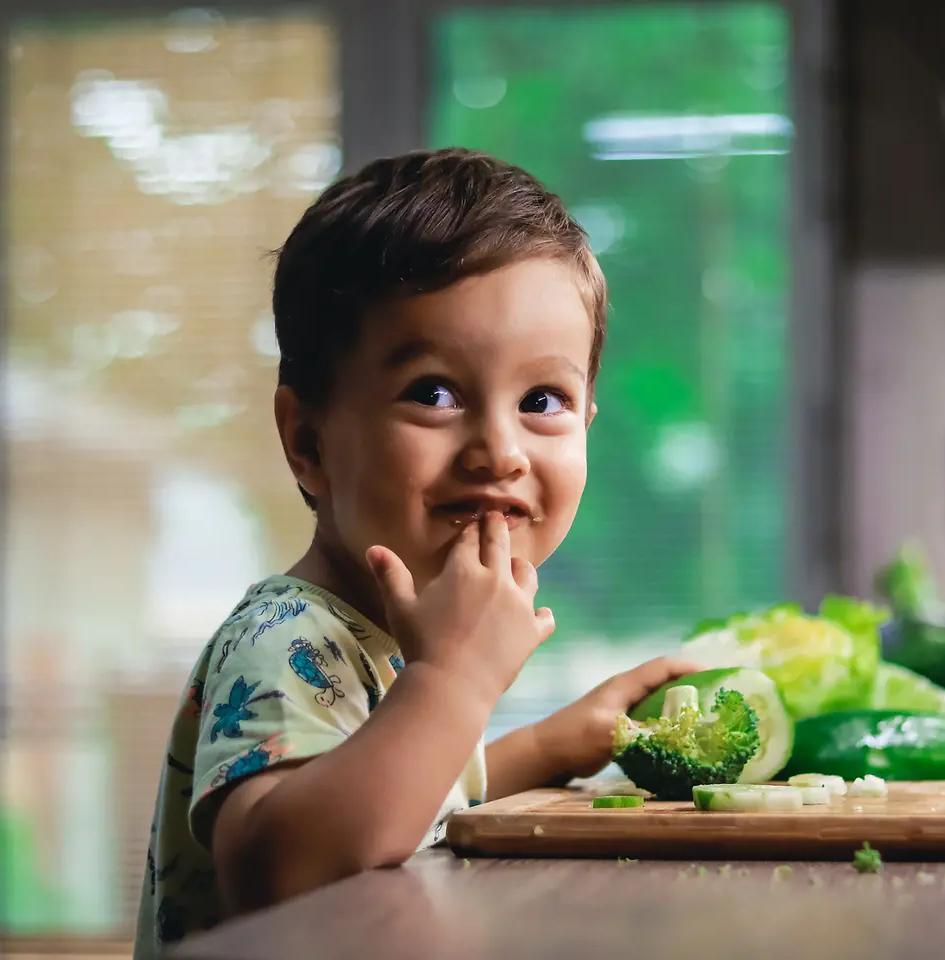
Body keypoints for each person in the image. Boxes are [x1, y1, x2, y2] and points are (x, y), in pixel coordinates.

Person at [134, 147, 698, 957]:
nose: (499, 450)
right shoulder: (288, 640)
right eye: (434, 393)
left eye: (543, 400)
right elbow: (283, 869)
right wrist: (455, 680)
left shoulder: (381, 640)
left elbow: (394, 797)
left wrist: (543, 746)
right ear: (309, 442)